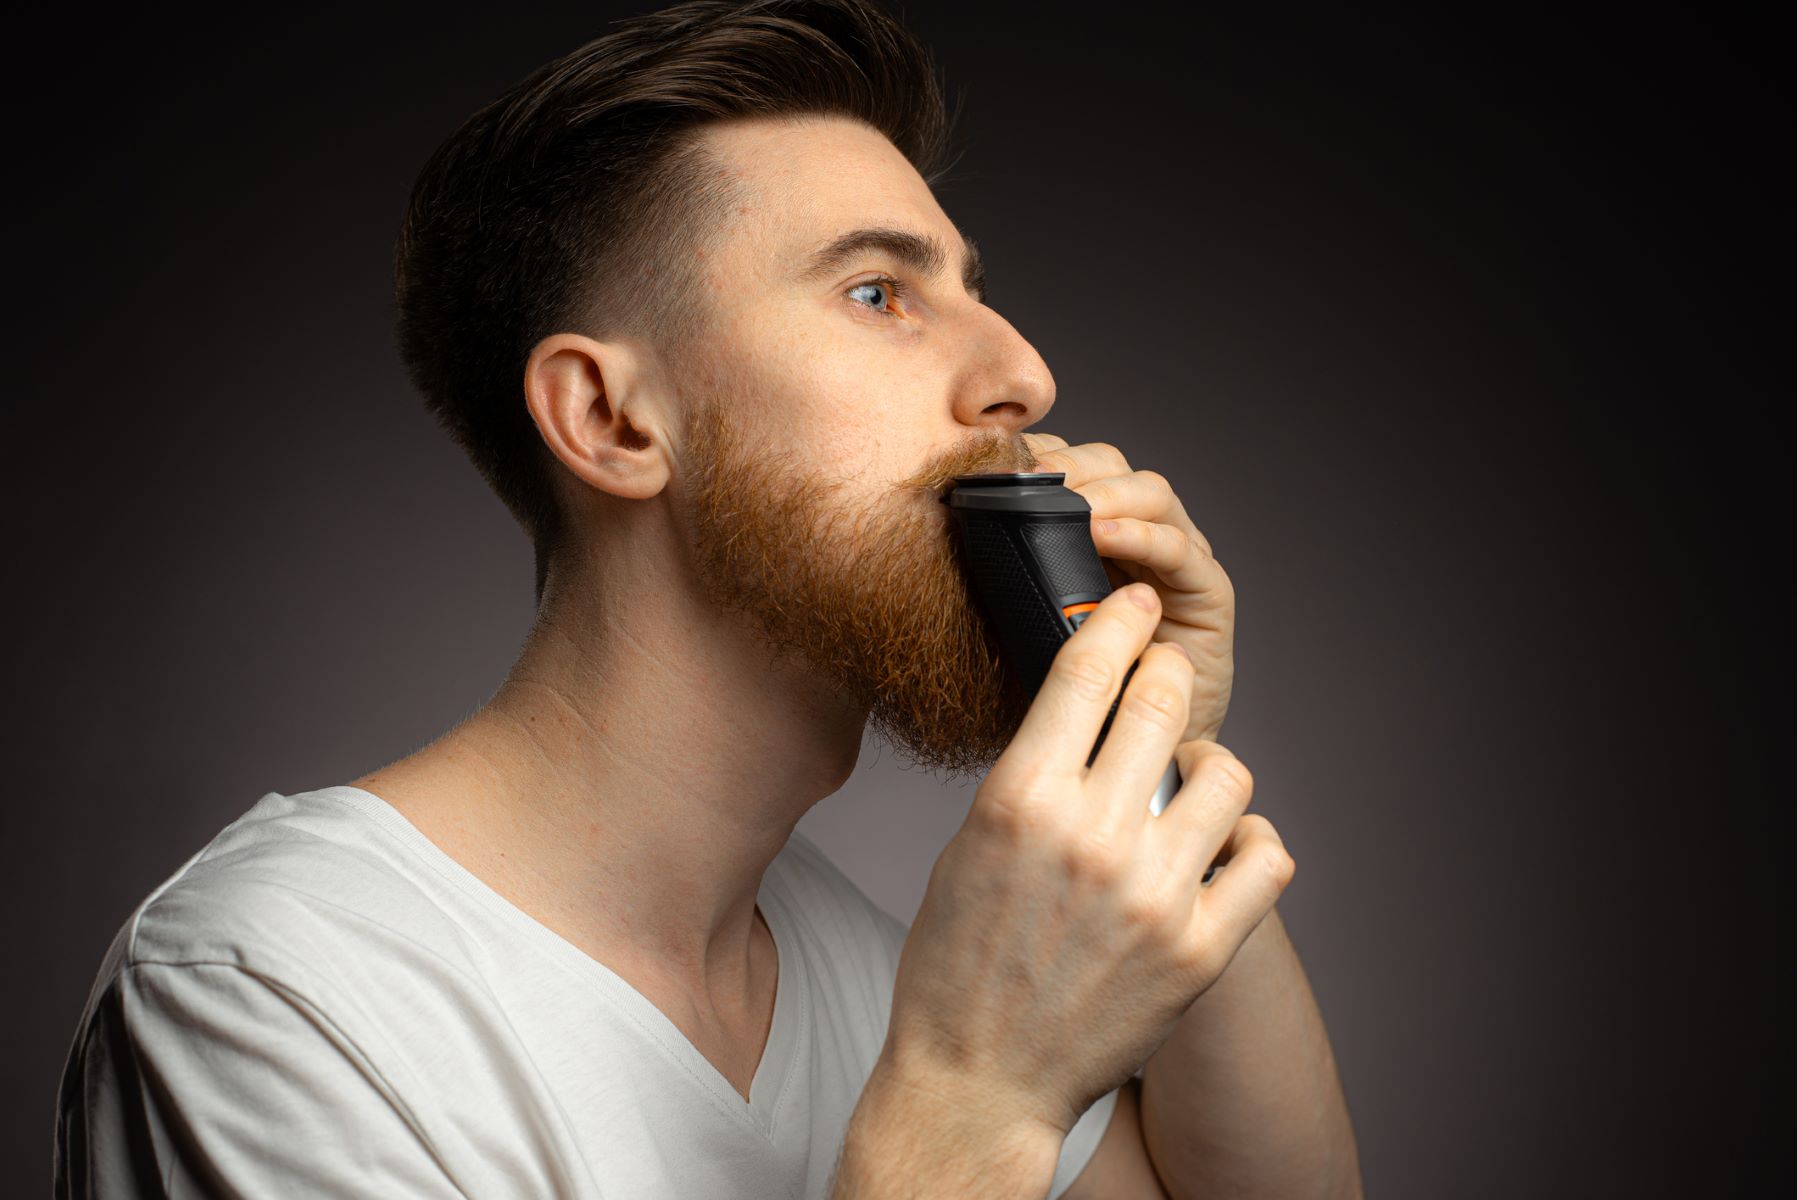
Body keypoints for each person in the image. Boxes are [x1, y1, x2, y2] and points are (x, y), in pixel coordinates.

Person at [55, 1, 1362, 1196]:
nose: (1020, 373)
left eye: (974, 289)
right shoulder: (276, 996)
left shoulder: (868, 973)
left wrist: (1155, 744)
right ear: (613, 418)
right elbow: (979, 1100)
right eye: (878, 292)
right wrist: (973, 1103)